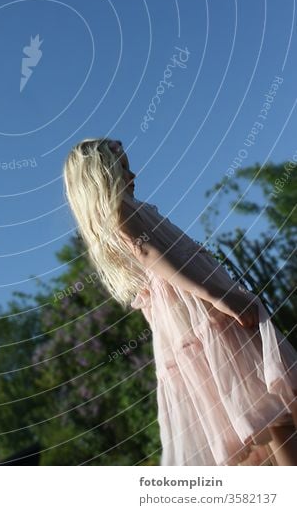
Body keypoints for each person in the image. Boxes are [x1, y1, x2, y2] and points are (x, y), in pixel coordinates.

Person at [62, 137, 297, 466]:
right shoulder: (121, 212)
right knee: (267, 406)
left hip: (196, 320)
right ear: (101, 176)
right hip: (204, 315)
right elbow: (150, 255)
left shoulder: (125, 215)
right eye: (123, 168)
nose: (133, 174)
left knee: (257, 411)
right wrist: (219, 296)